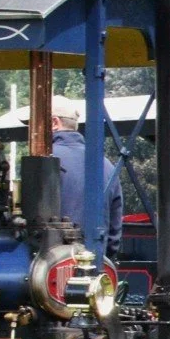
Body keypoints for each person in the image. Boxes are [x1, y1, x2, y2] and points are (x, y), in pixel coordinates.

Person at [50, 95, 124, 259]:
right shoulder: (106, 165)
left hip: (48, 272)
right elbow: (113, 235)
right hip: (94, 268)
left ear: (55, 123)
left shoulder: (45, 162)